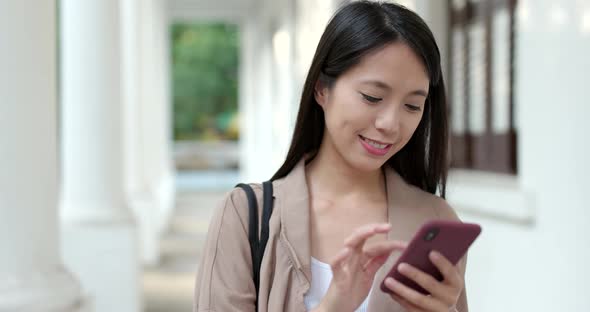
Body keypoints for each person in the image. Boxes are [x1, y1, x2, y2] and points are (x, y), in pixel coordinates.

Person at [194, 1, 469, 311]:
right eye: (372, 97)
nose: (390, 124)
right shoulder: (244, 218)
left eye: (412, 106)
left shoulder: (435, 221)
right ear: (321, 89)